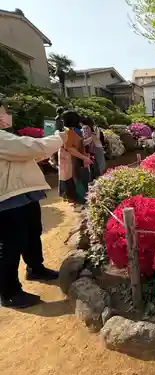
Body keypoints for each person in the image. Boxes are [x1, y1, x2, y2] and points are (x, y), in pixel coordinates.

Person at [0, 97, 67, 308]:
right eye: (3, 110)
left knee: (31, 233)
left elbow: (25, 154)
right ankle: (9, 292)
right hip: (8, 198)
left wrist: (42, 150)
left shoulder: (5, 138)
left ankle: (35, 268)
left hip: (21, 194)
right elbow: (32, 147)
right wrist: (59, 137)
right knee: (11, 245)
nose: (6, 114)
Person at [58, 111, 92, 205]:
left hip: (73, 160)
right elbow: (70, 148)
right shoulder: (68, 132)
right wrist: (84, 158)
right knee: (75, 180)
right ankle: (79, 200)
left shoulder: (70, 131)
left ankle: (77, 199)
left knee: (76, 179)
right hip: (71, 161)